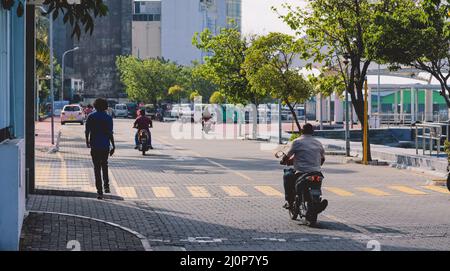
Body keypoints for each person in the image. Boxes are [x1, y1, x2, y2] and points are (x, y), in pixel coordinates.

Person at [281, 123, 327, 212]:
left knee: (287, 176)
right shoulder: (318, 143)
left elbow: (287, 156)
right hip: (316, 172)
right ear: (312, 132)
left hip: (301, 172)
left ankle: (289, 202)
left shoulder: (297, 142)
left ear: (301, 131)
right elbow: (323, 159)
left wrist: (283, 161)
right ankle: (317, 203)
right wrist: (316, 165)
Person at [85, 98, 115, 200]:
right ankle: (106, 185)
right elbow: (110, 133)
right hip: (105, 145)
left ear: (95, 106)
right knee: (105, 164)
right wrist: (113, 145)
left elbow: (87, 131)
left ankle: (99, 192)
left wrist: (87, 141)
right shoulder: (108, 118)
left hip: (95, 145)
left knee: (96, 168)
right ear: (105, 107)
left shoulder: (91, 116)